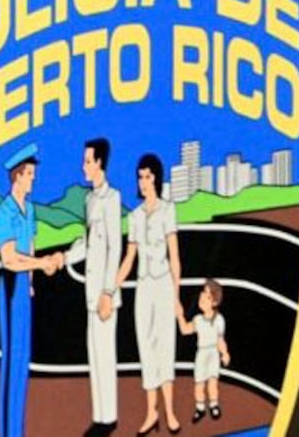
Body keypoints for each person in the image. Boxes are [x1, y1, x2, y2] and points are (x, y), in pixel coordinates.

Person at [0, 145, 68, 437]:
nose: (34, 180)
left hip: (24, 286)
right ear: (18, 177)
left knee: (22, 361)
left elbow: (31, 244)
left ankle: (17, 430)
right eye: (30, 175)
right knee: (11, 361)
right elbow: (9, 258)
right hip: (11, 286)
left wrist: (34, 278)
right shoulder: (2, 212)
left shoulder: (30, 209)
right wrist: (42, 263)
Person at [115, 152, 185, 434]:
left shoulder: (168, 210)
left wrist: (177, 295)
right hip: (144, 286)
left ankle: (169, 411)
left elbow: (175, 256)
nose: (143, 182)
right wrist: (112, 286)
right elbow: (129, 258)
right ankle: (150, 412)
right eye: (140, 177)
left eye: (148, 176)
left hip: (164, 284)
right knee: (146, 347)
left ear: (156, 177)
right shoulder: (134, 216)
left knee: (166, 346)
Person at [83, 136, 127, 437]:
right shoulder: (89, 200)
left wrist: (108, 292)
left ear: (100, 163)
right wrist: (61, 257)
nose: (83, 166)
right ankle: (100, 417)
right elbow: (87, 244)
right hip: (90, 293)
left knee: (105, 355)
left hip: (104, 295)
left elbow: (115, 247)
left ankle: (109, 418)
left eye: (87, 161)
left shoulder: (112, 199)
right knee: (94, 356)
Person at [183, 278, 228, 423]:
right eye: (203, 292)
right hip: (201, 354)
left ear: (214, 302)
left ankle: (214, 405)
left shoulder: (219, 320)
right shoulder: (197, 319)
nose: (202, 297)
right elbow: (185, 330)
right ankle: (200, 408)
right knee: (199, 384)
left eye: (207, 296)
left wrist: (224, 353)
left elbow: (220, 339)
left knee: (213, 382)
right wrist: (179, 315)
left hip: (213, 354)